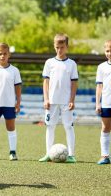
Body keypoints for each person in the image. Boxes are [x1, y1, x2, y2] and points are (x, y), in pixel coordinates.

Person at [39, 33, 78, 163]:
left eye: (62, 47)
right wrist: (46, 99)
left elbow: (74, 83)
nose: (59, 50)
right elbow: (46, 82)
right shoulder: (49, 62)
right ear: (54, 46)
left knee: (69, 127)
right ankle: (48, 153)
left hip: (66, 102)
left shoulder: (72, 64)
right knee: (50, 126)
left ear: (67, 47)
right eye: (57, 47)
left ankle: (71, 155)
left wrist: (72, 100)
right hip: (52, 101)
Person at [95, 40, 111, 165]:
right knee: (105, 128)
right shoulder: (101, 67)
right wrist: (98, 103)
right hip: (106, 102)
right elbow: (99, 86)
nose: (109, 53)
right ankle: (105, 156)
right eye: (107, 51)